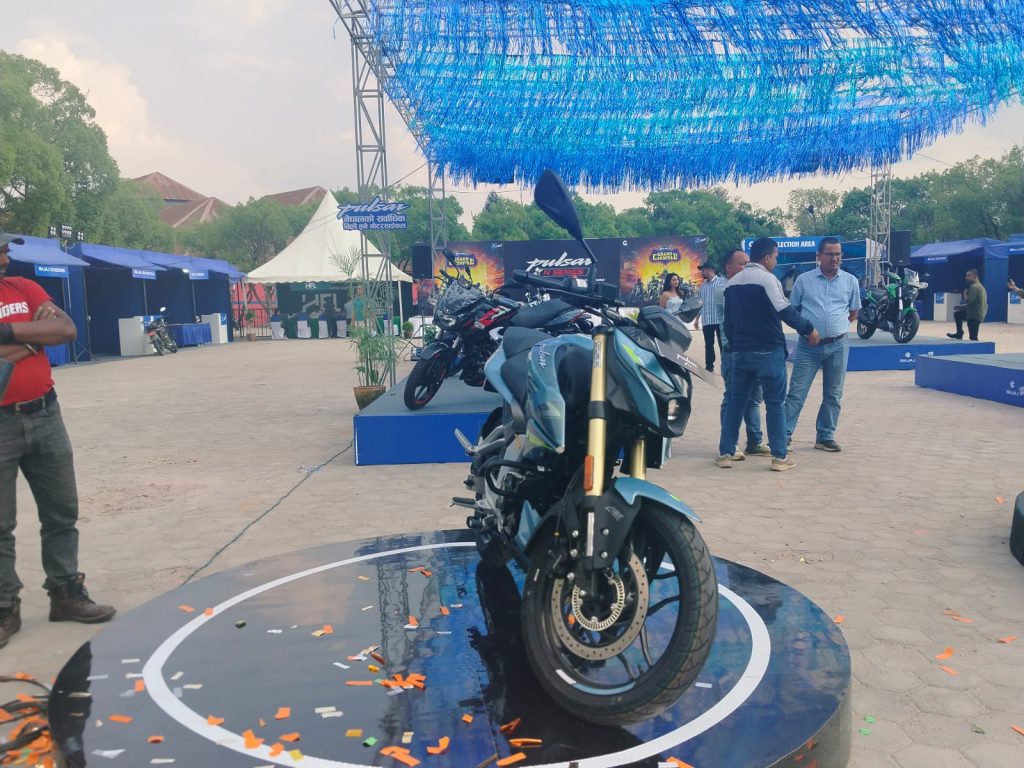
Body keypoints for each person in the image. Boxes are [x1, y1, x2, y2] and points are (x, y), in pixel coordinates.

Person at [0, 231, 116, 649]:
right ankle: (5, 607)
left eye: (5, 249)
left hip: (46, 413)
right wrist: (34, 335)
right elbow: (47, 332)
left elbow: (65, 329)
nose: (5, 256)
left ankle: (65, 593)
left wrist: (7, 333)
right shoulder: (26, 297)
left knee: (62, 512)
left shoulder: (23, 286)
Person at [717, 237, 819, 472]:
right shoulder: (768, 279)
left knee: (735, 403)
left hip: (740, 354)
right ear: (766, 258)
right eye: (775, 257)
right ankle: (779, 457)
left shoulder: (732, 284)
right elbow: (785, 310)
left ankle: (725, 453)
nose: (776, 262)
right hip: (768, 353)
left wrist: (736, 347)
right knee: (775, 405)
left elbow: (728, 325)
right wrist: (808, 329)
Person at [783, 238, 861, 453]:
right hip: (808, 346)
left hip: (838, 345)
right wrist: (806, 331)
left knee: (833, 394)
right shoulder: (803, 280)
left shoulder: (850, 281)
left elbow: (853, 312)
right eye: (830, 254)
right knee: (796, 393)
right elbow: (793, 311)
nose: (835, 258)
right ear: (818, 256)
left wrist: (838, 329)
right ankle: (783, 436)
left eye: (838, 254)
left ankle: (825, 436)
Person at [717, 249, 769, 459]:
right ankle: (729, 444)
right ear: (728, 267)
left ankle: (754, 441)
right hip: (733, 352)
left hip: (752, 351)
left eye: (748, 263)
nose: (746, 267)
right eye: (741, 263)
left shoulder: (747, 288)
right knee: (733, 398)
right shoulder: (724, 290)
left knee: (754, 399)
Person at [696, 262, 726, 372]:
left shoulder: (722, 282)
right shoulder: (703, 286)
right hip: (707, 319)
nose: (701, 272)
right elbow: (700, 303)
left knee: (722, 343)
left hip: (720, 319)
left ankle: (726, 365)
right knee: (708, 344)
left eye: (703, 270)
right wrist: (697, 319)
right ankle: (709, 367)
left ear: (710, 270)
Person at [947, 269, 987, 341]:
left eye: (968, 276)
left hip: (974, 316)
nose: (966, 278)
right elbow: (974, 303)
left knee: (973, 337)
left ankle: (961, 335)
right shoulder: (980, 286)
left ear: (975, 276)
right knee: (958, 314)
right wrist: (960, 307)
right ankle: (959, 333)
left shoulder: (974, 287)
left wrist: (965, 294)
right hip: (977, 313)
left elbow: (969, 301)